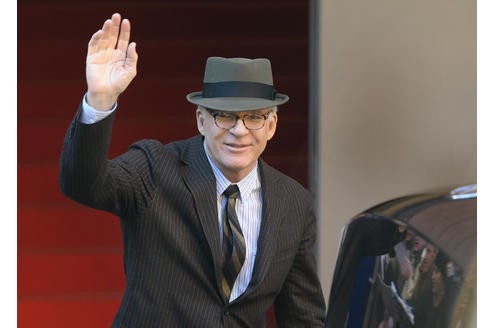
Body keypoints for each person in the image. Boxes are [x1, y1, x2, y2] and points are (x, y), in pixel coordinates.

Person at [58, 13, 326, 327]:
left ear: (272, 125)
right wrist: (100, 99)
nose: (239, 131)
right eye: (224, 116)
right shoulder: (154, 167)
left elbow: (303, 317)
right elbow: (82, 183)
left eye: (254, 117)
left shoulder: (294, 202)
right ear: (201, 120)